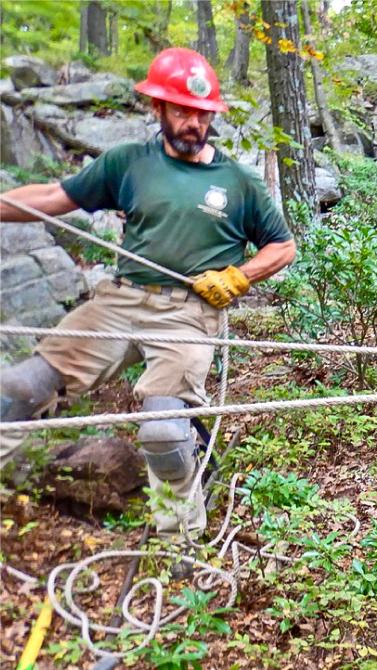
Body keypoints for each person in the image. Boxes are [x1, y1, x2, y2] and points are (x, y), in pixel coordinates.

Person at [0, 47, 296, 542]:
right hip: (118, 301)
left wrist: (239, 277)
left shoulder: (238, 182)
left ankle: (178, 542)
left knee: (164, 429)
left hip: (188, 313)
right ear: (157, 109)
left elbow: (282, 248)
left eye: (202, 114)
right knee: (17, 388)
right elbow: (55, 198)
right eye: (181, 111)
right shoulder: (128, 164)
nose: (192, 122)